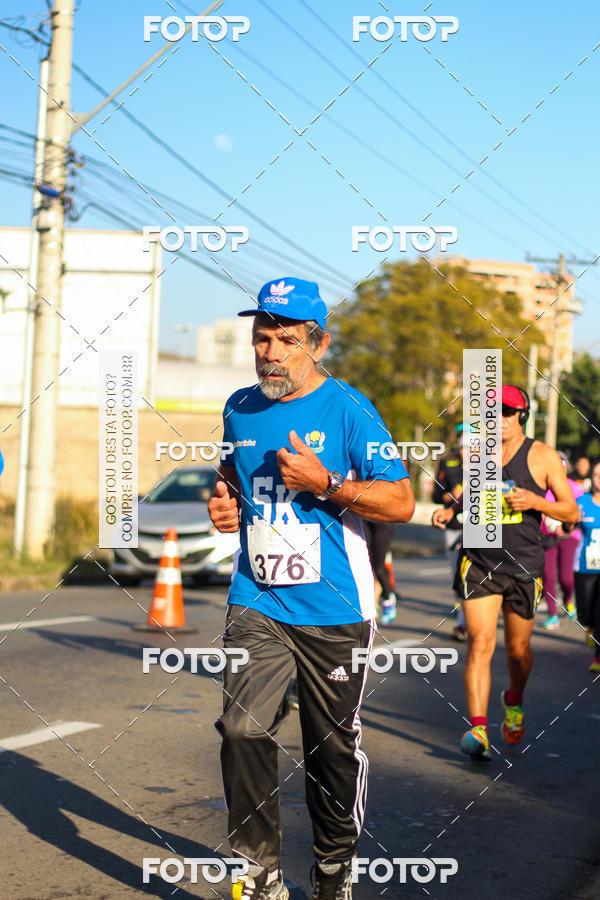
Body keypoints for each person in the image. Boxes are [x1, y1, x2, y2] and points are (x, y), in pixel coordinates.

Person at [208, 277, 415, 899]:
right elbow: (230, 476)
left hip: (336, 607)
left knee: (328, 749)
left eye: (285, 340)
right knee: (242, 730)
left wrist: (327, 483)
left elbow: (401, 501)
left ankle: (333, 869)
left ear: (316, 344)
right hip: (257, 597)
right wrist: (221, 504)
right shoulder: (239, 407)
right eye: (261, 338)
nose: (270, 352)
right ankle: (259, 872)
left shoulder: (349, 409)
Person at [433, 385, 578, 760]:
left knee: (517, 651)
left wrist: (534, 502)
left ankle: (513, 699)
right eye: (493, 413)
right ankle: (478, 729)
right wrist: (450, 511)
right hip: (480, 560)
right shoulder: (481, 453)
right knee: (480, 643)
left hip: (524, 566)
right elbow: (470, 492)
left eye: (508, 413)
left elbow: (571, 512)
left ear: (522, 416)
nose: (499, 420)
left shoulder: (543, 456)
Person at [540, 451, 583, 629]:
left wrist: (565, 526)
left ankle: (567, 599)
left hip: (568, 537)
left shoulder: (574, 487)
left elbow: (580, 513)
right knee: (548, 576)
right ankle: (552, 614)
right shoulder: (541, 487)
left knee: (566, 578)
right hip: (546, 538)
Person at [432, 424, 467, 641]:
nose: (467, 451)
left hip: (478, 527)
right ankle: (463, 606)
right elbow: (437, 495)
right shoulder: (448, 463)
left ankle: (463, 624)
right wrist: (452, 497)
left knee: (469, 575)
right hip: (454, 525)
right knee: (457, 572)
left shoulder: (489, 465)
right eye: (463, 445)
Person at [574, 459, 600, 672]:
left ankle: (598, 659)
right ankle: (589, 626)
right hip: (585, 565)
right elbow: (568, 525)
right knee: (585, 614)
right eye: (596, 474)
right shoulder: (582, 501)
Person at [363, 520, 397, 625]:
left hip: (383, 522)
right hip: (364, 519)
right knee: (365, 564)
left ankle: (388, 599)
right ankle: (371, 601)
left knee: (378, 567)